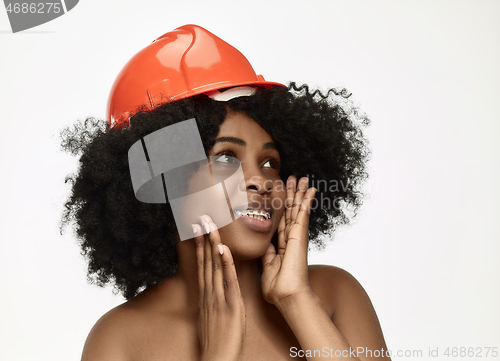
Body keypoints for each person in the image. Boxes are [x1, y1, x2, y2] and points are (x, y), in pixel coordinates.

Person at [61, 24, 391, 361]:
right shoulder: (121, 339)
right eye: (225, 157)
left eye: (269, 162)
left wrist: (296, 301)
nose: (261, 182)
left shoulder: (334, 295)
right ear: (166, 180)